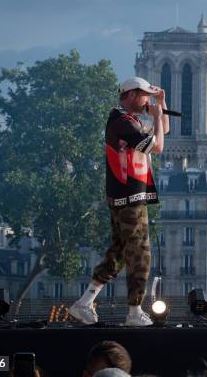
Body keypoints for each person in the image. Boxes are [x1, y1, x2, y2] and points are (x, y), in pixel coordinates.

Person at [69, 76, 169, 326]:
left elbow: (162, 132)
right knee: (140, 253)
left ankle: (84, 302)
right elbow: (157, 147)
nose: (147, 99)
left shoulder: (128, 121)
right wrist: (156, 115)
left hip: (126, 196)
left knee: (119, 253)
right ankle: (134, 312)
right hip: (129, 197)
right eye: (145, 95)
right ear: (131, 95)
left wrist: (161, 105)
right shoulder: (122, 122)